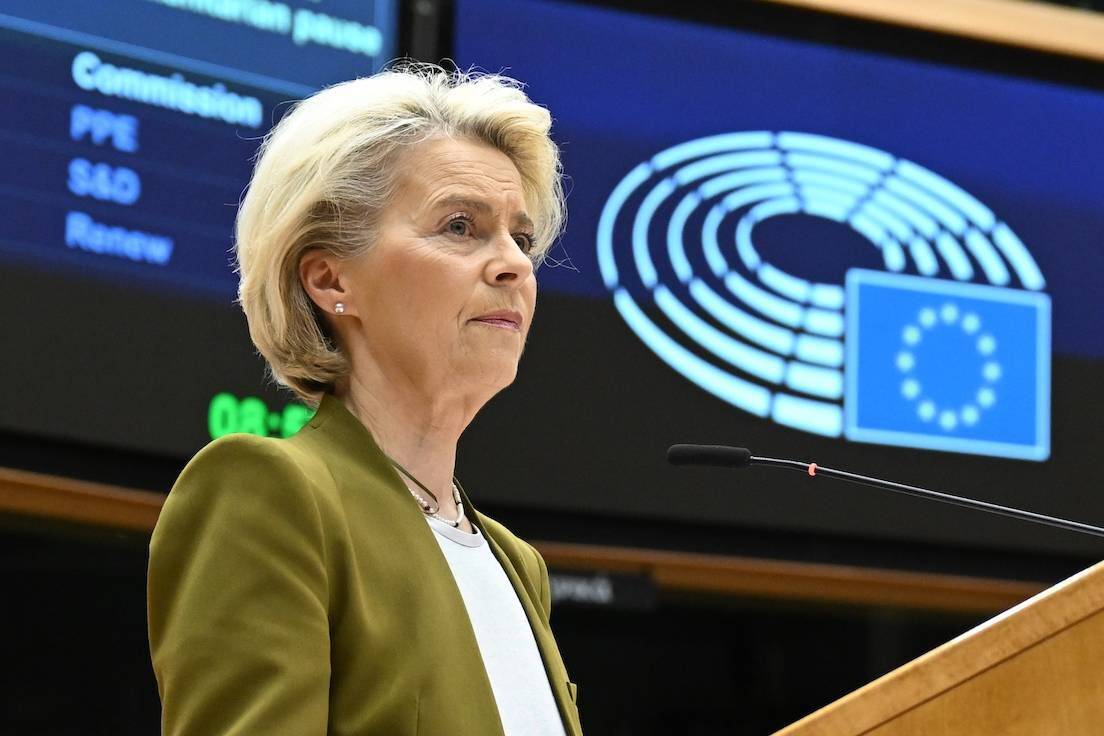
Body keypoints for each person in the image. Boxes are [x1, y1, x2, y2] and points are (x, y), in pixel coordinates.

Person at [147, 63, 581, 736]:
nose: (515, 264)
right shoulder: (272, 495)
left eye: (520, 239)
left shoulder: (516, 563)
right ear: (329, 278)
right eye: (461, 226)